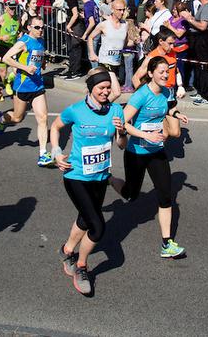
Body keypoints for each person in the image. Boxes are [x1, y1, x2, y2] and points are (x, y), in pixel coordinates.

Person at [50, 68, 127, 296]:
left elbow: (121, 145)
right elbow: (55, 127)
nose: (105, 92)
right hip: (76, 176)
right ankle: (81, 267)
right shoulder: (76, 110)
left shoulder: (115, 110)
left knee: (84, 218)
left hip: (100, 176)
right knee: (97, 225)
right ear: (91, 89)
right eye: (101, 88)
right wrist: (55, 152)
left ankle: (67, 250)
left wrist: (121, 132)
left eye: (108, 88)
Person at [114, 56, 189, 259]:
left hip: (156, 151)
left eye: (167, 71)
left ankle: (167, 243)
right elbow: (123, 122)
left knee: (166, 195)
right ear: (150, 74)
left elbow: (168, 107)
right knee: (131, 194)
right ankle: (110, 179)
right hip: (136, 153)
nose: (165, 75)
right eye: (161, 71)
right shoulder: (141, 95)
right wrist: (145, 135)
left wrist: (176, 114)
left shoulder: (166, 91)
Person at [0, 15, 51, 166]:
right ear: (29, 27)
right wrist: (25, 68)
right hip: (23, 85)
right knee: (17, 118)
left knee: (43, 117)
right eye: (37, 27)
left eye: (42, 27)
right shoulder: (23, 42)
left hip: (37, 85)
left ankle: (43, 154)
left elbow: (38, 58)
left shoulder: (41, 41)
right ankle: (0, 118)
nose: (40, 30)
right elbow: (6, 58)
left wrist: (43, 62)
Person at [183, 0, 208, 106]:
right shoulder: (203, 6)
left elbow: (203, 26)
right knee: (197, 67)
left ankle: (206, 96)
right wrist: (190, 17)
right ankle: (200, 91)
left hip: (204, 39)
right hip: (198, 39)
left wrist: (189, 19)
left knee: (203, 68)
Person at [86, 0, 128, 84]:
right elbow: (90, 37)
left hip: (117, 62)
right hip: (105, 61)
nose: (122, 12)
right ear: (112, 9)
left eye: (123, 10)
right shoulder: (104, 25)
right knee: (115, 90)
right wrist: (92, 53)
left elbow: (126, 42)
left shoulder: (125, 24)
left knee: (109, 91)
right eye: (119, 10)